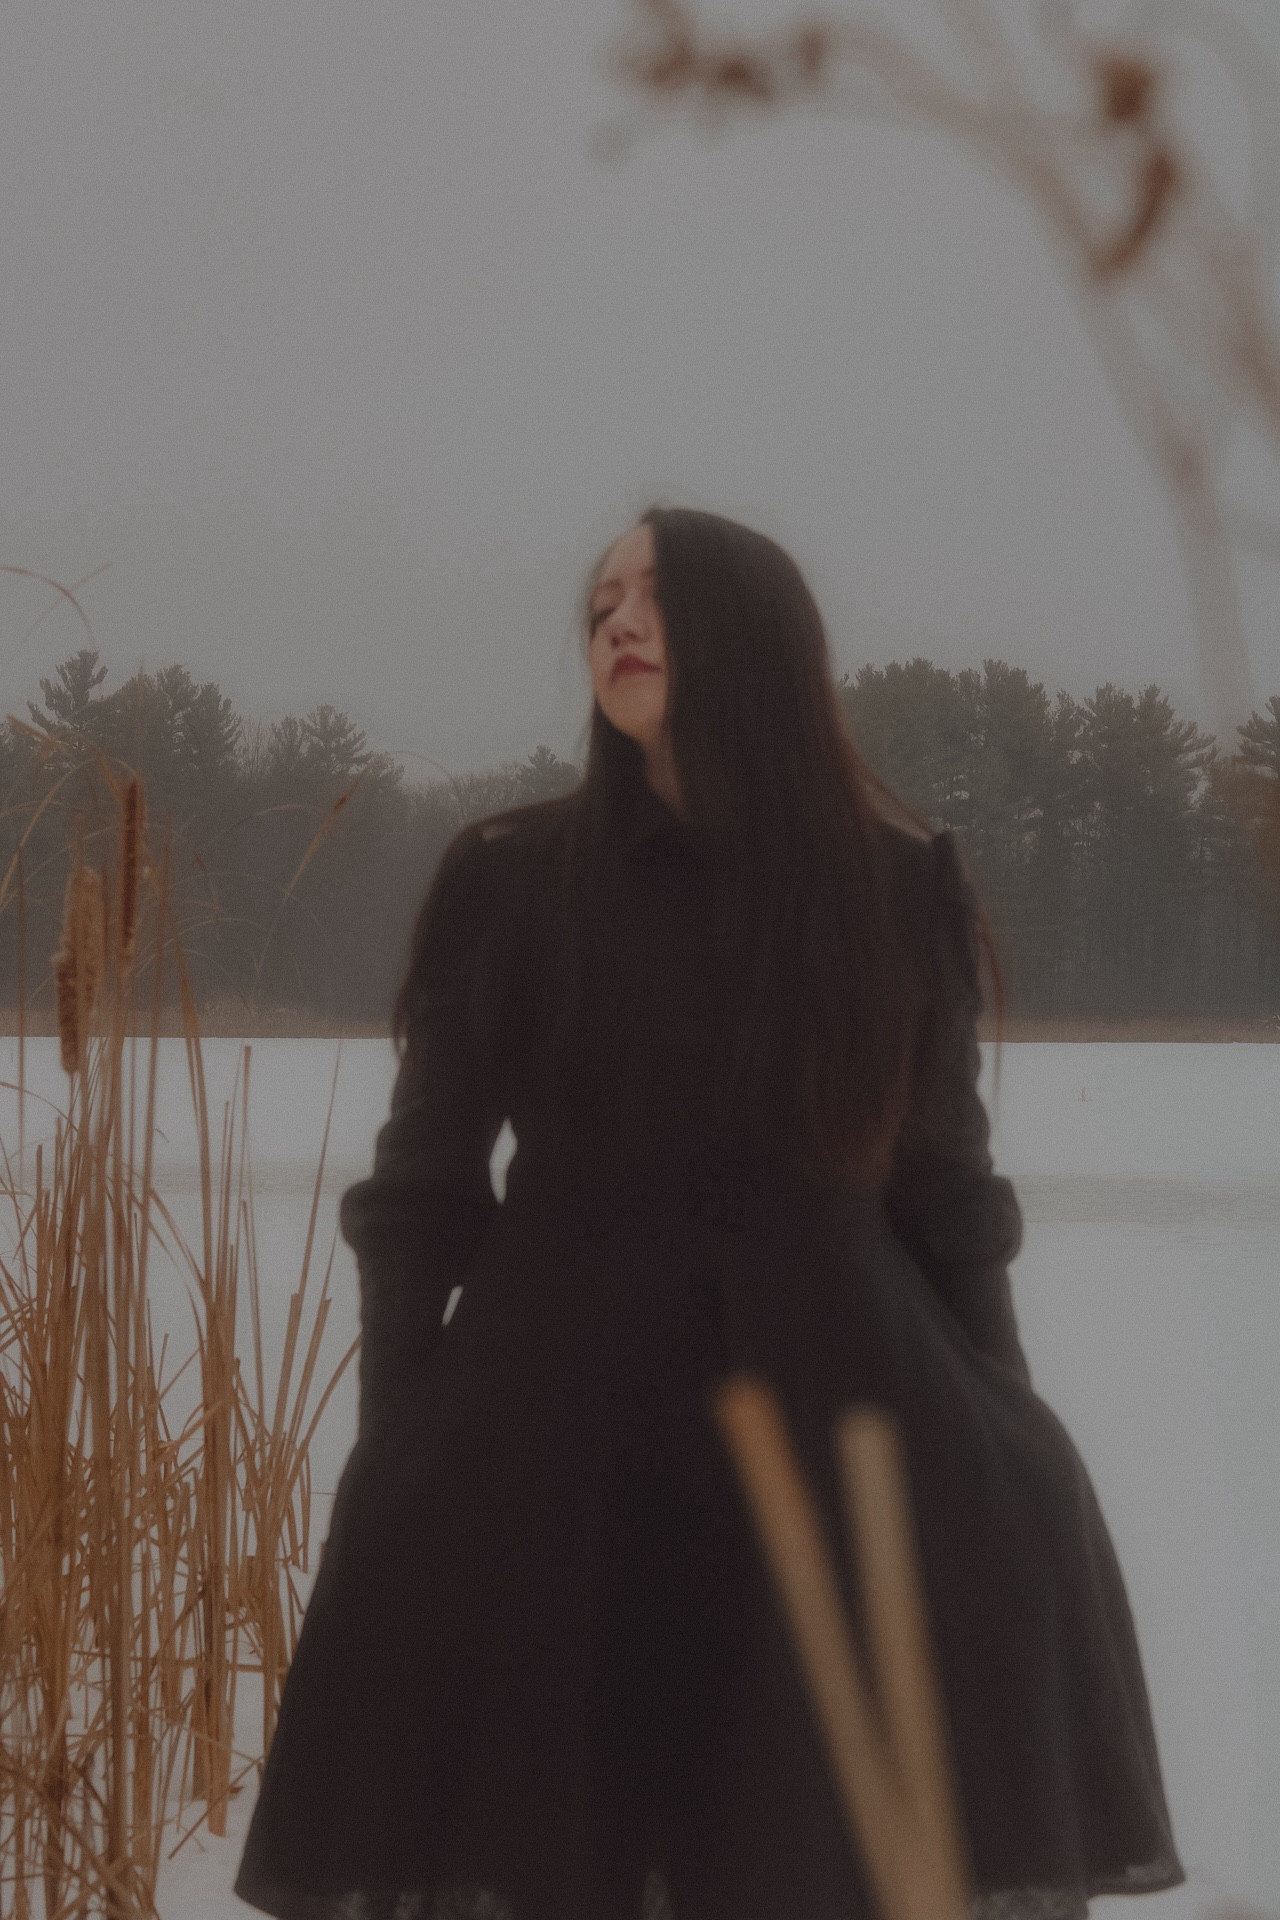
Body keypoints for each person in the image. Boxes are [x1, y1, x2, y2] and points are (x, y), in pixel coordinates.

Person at [234, 508, 1183, 1920]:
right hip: (549, 1444)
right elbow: (418, 1196)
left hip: (845, 1430)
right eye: (602, 600)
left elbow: (950, 1197)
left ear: (755, 630)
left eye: (656, 595)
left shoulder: (894, 882)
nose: (616, 620)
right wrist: (404, 1435)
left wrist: (998, 1414)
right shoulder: (508, 879)